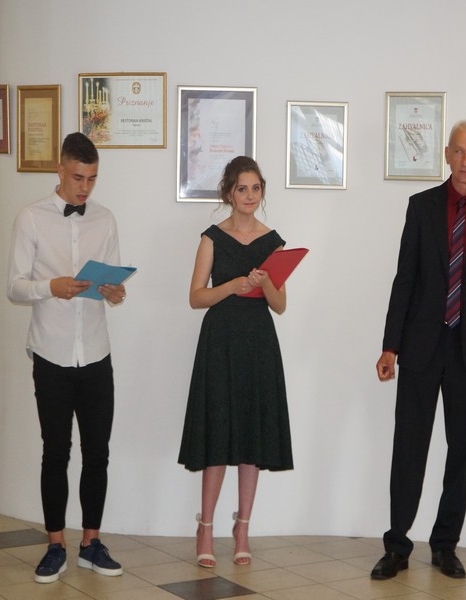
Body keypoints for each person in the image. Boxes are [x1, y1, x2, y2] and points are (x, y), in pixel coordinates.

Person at [370, 121, 466, 580]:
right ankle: (397, 545)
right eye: (459, 152)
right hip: (420, 347)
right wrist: (390, 346)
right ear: (447, 155)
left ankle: (445, 544)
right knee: (408, 446)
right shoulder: (421, 206)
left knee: (460, 450)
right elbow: (404, 281)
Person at [7, 132, 127, 584]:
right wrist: (50, 287)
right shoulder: (30, 218)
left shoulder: (105, 219)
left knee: (98, 453)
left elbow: (114, 282)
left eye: (92, 179)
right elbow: (14, 286)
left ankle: (91, 543)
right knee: (55, 452)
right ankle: (55, 545)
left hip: (96, 352)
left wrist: (115, 292)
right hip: (51, 354)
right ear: (60, 170)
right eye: (78, 178)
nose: (85, 188)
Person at [178, 156, 293, 568]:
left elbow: (280, 305)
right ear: (228, 192)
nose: (249, 195)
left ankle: (242, 528)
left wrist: (265, 284)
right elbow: (196, 298)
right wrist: (231, 286)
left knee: (250, 439)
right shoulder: (212, 238)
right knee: (216, 438)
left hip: (259, 342)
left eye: (255, 188)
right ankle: (206, 527)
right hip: (220, 342)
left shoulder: (273, 242)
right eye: (242, 189)